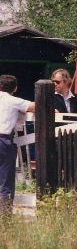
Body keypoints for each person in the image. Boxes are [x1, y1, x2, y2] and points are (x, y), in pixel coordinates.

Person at [0, 75, 34, 212]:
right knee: (6, 178)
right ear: (15, 88)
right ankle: (5, 216)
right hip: (3, 140)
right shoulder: (12, 100)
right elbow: (33, 106)